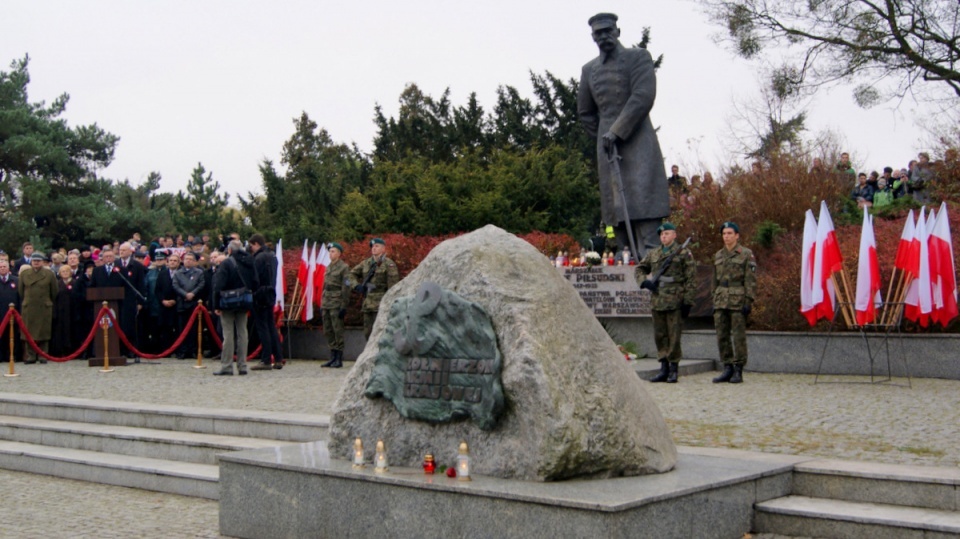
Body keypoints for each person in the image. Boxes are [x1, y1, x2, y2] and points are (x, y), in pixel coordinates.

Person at [578, 12, 669, 257]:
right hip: (607, 145)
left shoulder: (638, 58)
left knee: (643, 192)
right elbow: (585, 112)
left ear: (617, 31)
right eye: (599, 33)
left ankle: (650, 251)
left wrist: (617, 131)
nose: (604, 36)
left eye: (608, 31)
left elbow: (643, 96)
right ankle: (623, 250)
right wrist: (603, 136)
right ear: (593, 37)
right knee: (614, 200)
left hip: (637, 136)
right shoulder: (589, 70)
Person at [636, 223, 696, 383]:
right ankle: (663, 368)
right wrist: (644, 282)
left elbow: (691, 279)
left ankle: (674, 369)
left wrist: (688, 301)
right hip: (657, 299)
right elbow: (640, 268)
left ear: (674, 235)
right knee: (660, 335)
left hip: (675, 300)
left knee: (674, 335)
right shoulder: (654, 253)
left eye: (667, 233)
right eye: (662, 234)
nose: (664, 237)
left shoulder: (684, 253)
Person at [711, 222, 757, 384]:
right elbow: (714, 280)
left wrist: (748, 300)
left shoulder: (746, 254)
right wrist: (714, 299)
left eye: (730, 233)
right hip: (721, 300)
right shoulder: (718, 255)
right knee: (721, 335)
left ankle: (738, 369)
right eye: (724, 234)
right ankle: (727, 367)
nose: (727, 236)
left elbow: (750, 280)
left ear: (737, 235)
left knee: (738, 337)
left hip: (738, 300)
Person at [212, 240, 259, 376]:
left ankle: (227, 365)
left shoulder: (226, 263)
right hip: (244, 301)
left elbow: (218, 285)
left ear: (230, 251)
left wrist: (216, 304)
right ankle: (242, 365)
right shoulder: (250, 262)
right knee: (242, 333)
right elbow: (255, 282)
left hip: (228, 302)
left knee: (228, 334)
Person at [350, 238, 400, 341]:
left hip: (381, 303)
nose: (374, 248)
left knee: (381, 334)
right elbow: (350, 275)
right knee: (368, 333)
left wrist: (389, 304)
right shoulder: (366, 263)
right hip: (368, 303)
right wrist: (356, 286)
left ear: (383, 249)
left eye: (377, 246)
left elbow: (393, 287)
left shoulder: (389, 264)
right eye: (372, 246)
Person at [247, 234, 284, 371]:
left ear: (256, 244)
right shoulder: (272, 256)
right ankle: (278, 358)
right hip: (270, 293)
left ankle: (266, 359)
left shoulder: (259, 258)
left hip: (260, 294)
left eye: (251, 245)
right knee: (271, 326)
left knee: (263, 328)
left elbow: (254, 278)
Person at [19, 252, 59, 364]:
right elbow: (21, 291)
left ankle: (43, 355)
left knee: (44, 331)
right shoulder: (24, 274)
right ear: (31, 262)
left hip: (43, 306)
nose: (36, 262)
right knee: (28, 331)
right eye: (34, 261)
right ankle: (30, 355)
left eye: (38, 261)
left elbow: (54, 292)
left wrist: (46, 301)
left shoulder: (49, 274)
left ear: (42, 262)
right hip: (29, 306)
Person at [321, 242, 351, 368]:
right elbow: (324, 286)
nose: (331, 253)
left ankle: (339, 357)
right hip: (327, 301)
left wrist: (344, 305)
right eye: (330, 251)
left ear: (339, 253)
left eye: (333, 251)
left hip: (336, 302)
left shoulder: (344, 267)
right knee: (328, 330)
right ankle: (332, 356)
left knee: (337, 329)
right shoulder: (329, 267)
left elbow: (346, 287)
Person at [173, 251, 206, 360]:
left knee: (194, 329)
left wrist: (193, 293)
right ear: (183, 260)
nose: (188, 261)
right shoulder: (178, 273)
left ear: (194, 261)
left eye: (191, 259)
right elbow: (175, 286)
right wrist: (185, 294)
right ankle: (182, 350)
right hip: (182, 303)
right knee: (182, 328)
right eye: (186, 259)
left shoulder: (199, 272)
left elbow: (201, 284)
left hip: (194, 303)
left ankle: (193, 350)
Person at [52, 265, 81, 356]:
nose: (65, 273)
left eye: (67, 271)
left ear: (70, 273)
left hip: (72, 311)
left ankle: (73, 351)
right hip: (61, 312)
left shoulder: (75, 283)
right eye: (63, 271)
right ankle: (61, 351)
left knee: (72, 330)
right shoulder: (57, 284)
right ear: (60, 273)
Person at [156, 252, 180, 356]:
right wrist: (163, 300)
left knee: (178, 328)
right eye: (171, 260)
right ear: (167, 262)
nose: (172, 262)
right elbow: (157, 290)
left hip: (177, 305)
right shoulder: (162, 274)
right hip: (164, 305)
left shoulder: (181, 273)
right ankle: (166, 350)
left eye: (175, 261)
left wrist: (175, 300)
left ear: (179, 263)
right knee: (165, 329)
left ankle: (178, 350)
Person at [0, 260, 22, 363]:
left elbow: (20, 297)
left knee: (13, 337)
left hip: (13, 315)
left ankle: (13, 355)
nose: (2, 268)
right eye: (0, 267)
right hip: (0, 314)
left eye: (4, 266)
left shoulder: (16, 281)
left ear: (8, 268)